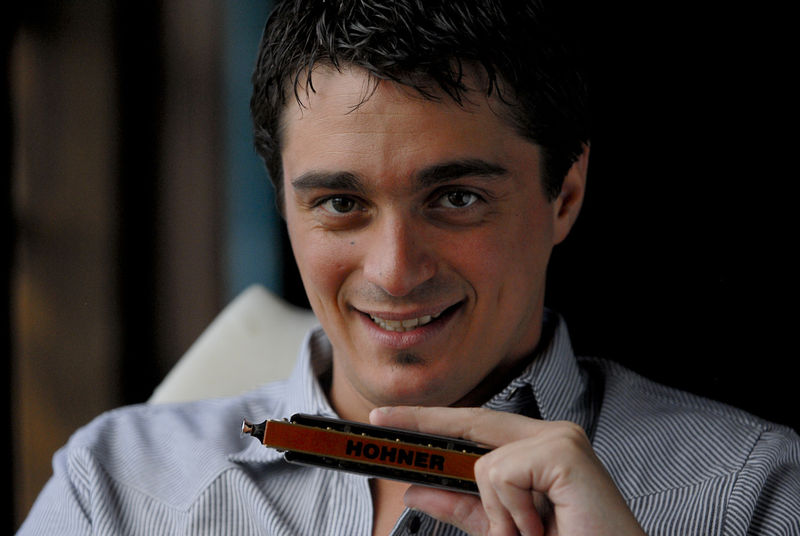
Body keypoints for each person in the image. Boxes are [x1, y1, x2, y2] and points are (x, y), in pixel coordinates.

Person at [18, 1, 800, 535]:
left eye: (456, 198)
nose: (394, 273)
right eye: (340, 203)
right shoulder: (117, 487)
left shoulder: (749, 492)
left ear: (564, 195)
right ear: (284, 203)